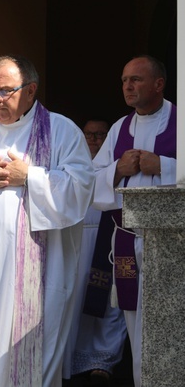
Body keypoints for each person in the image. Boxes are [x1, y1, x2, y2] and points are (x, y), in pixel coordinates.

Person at [0, 55, 94, 387]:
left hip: (42, 271)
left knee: (36, 360)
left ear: (30, 90)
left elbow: (82, 188)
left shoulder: (62, 131)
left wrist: (32, 177)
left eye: (5, 91)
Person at [91, 55, 175, 387]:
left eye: (136, 79)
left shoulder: (180, 121)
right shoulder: (119, 128)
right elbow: (91, 178)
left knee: (169, 321)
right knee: (135, 323)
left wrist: (166, 167)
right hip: (128, 238)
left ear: (159, 84)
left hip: (170, 242)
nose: (128, 86)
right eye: (125, 80)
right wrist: (118, 170)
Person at [61, 119, 127, 386]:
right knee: (76, 301)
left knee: (110, 301)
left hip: (107, 239)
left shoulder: (114, 165)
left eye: (101, 135)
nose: (95, 140)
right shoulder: (72, 161)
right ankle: (73, 356)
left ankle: (104, 359)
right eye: (90, 135)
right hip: (77, 239)